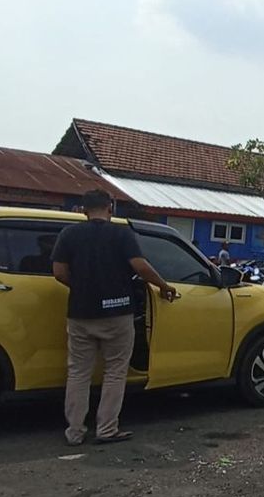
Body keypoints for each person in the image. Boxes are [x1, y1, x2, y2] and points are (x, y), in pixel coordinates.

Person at [51, 190, 178, 446]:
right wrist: (163, 286)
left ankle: (74, 432)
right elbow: (140, 266)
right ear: (110, 208)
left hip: (80, 313)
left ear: (83, 210)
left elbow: (59, 272)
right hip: (117, 313)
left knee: (78, 372)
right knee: (115, 372)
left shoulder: (68, 234)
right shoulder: (121, 233)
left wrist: (83, 287)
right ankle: (107, 429)